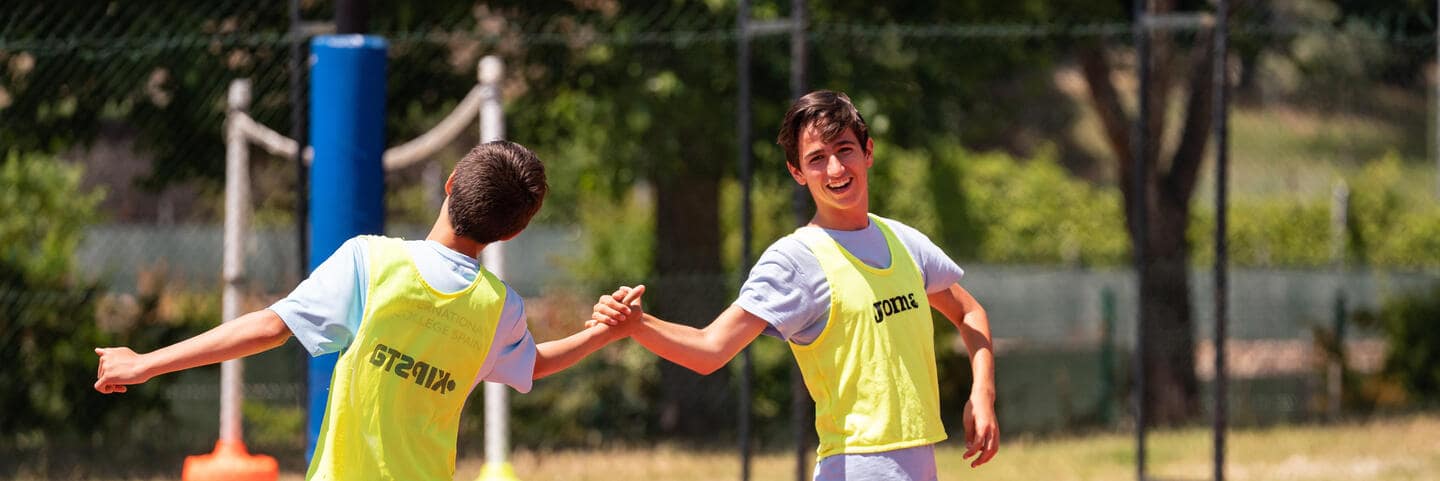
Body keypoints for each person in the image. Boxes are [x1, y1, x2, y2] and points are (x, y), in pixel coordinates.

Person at [94, 140, 634, 481]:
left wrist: (144, 363)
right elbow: (533, 363)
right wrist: (603, 333)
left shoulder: (370, 261)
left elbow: (267, 328)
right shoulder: (499, 308)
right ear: (512, 232)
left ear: (448, 186)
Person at [592, 90, 998, 480]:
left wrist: (982, 392)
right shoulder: (795, 260)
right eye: (817, 159)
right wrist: (637, 326)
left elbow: (968, 311)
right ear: (797, 172)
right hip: (857, 466)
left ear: (868, 151)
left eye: (844, 149)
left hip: (922, 460)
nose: (836, 169)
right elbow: (710, 349)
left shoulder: (905, 241)